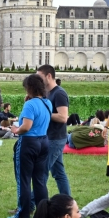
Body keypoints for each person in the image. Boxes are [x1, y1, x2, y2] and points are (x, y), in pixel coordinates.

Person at [8, 74, 52, 218]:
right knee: (40, 180)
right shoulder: (47, 103)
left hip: (29, 142)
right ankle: (43, 213)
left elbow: (26, 127)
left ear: (30, 88)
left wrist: (16, 130)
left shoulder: (30, 105)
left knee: (24, 179)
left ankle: (23, 213)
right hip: (44, 142)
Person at [38, 64, 71, 196]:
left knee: (41, 172)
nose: (37, 80)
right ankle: (68, 201)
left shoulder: (59, 93)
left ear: (49, 76)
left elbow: (63, 117)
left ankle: (30, 204)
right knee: (58, 173)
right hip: (49, 137)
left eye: (39, 77)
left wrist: (43, 113)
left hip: (56, 138)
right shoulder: (46, 93)